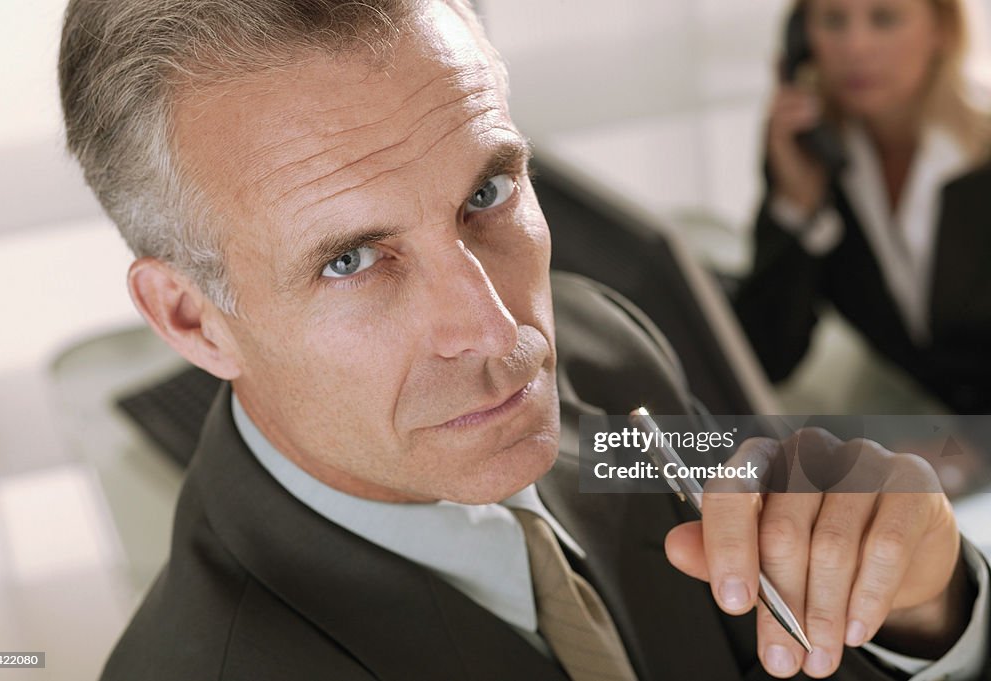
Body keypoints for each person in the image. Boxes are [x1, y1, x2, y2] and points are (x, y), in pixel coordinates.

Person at [58, 0, 990, 678]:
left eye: (486, 193)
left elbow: (780, 631)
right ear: (190, 317)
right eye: (350, 259)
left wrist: (925, 612)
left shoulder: (602, 348)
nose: (502, 333)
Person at [735, 0, 991, 414]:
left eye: (884, 18)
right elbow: (765, 357)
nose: (854, 48)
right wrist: (798, 207)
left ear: (941, 29)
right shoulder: (814, 159)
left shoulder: (982, 155)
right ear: (802, 38)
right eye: (833, 20)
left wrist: (970, 451)